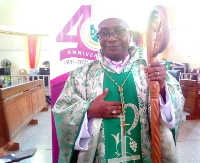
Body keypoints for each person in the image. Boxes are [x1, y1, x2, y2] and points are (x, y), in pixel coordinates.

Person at [52, 18, 184, 162]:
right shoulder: (81, 75)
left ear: (131, 35)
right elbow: (61, 110)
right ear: (98, 38)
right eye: (104, 33)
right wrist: (88, 110)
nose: (111, 38)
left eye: (119, 32)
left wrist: (162, 88)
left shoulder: (150, 70)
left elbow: (175, 107)